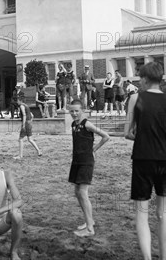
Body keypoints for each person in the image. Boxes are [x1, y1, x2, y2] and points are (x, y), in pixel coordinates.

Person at [124, 62, 166, 260]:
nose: (139, 81)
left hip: (143, 158)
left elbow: (127, 133)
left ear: (145, 79)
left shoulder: (135, 98)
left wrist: (142, 134)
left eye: (140, 78)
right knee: (163, 214)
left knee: (141, 213)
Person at [68, 99, 110, 237]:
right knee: (77, 191)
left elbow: (105, 136)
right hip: (76, 161)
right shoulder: (73, 124)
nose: (74, 113)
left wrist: (94, 149)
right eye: (72, 111)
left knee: (83, 192)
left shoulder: (87, 124)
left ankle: (90, 229)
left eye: (77, 111)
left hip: (86, 162)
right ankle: (88, 220)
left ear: (83, 111)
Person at [15, 95, 42, 159]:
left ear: (20, 101)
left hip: (26, 123)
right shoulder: (26, 106)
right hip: (29, 122)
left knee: (21, 139)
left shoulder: (21, 106)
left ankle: (20, 155)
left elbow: (24, 115)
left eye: (17, 100)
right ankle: (39, 151)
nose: (17, 102)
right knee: (30, 139)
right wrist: (30, 121)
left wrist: (23, 124)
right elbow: (32, 115)